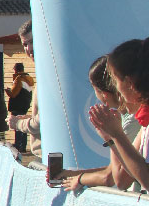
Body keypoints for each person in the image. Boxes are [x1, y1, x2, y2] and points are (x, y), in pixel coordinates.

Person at [86, 38, 149, 199]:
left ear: (129, 83)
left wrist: (117, 134)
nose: (115, 88)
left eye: (115, 80)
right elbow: (128, 175)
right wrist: (112, 136)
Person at [60, 55, 143, 192]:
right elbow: (113, 168)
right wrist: (69, 175)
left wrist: (112, 137)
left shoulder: (133, 121)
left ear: (104, 94)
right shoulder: (128, 119)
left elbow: (116, 178)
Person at [8, 21, 40, 155]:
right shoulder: (38, 76)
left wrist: (18, 124)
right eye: (25, 44)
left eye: (33, 42)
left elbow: (42, 122)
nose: (29, 49)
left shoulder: (50, 76)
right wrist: (28, 117)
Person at [5, 62, 34, 153]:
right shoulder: (28, 78)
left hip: (17, 105)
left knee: (16, 124)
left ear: (15, 69)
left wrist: (7, 90)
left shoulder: (19, 79)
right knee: (23, 125)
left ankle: (17, 145)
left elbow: (13, 94)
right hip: (25, 105)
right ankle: (23, 146)